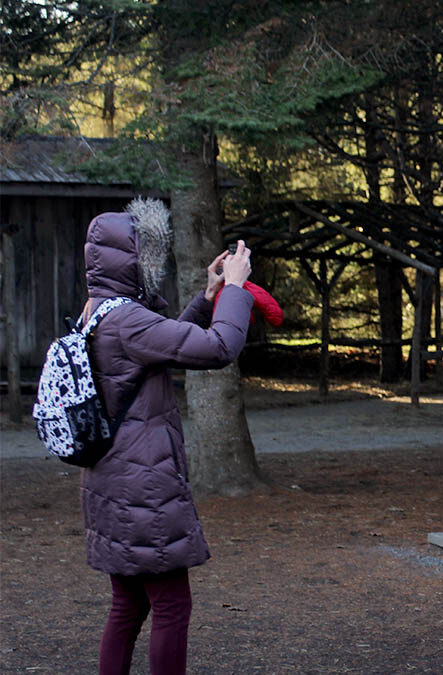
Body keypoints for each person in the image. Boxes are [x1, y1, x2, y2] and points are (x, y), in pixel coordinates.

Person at [79, 198, 254, 675]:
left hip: (113, 483)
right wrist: (236, 289)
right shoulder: (127, 321)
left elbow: (165, 342)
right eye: (149, 253)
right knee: (171, 606)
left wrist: (208, 293)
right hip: (144, 488)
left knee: (128, 605)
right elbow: (219, 348)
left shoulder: (98, 312)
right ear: (133, 260)